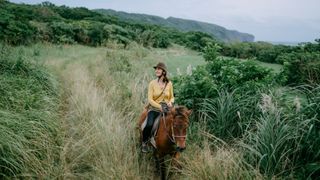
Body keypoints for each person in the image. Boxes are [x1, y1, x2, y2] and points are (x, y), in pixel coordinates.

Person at [142, 62, 174, 153]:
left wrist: (171, 102)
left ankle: (175, 142)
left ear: (164, 72)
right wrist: (159, 106)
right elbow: (150, 99)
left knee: (177, 123)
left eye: (159, 69)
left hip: (167, 108)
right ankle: (144, 143)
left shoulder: (169, 84)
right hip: (155, 109)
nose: (156, 70)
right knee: (149, 125)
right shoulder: (152, 83)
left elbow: (172, 97)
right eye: (156, 69)